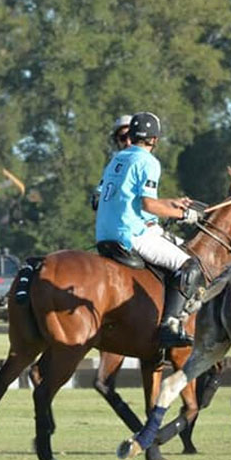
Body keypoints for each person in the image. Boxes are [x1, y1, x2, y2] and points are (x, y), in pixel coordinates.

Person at [95, 112, 204, 349]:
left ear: (132, 135)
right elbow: (148, 205)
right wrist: (184, 214)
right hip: (130, 234)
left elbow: (133, 200)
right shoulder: (149, 162)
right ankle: (169, 326)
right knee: (190, 266)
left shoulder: (117, 159)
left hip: (103, 233)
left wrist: (173, 203)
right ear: (155, 139)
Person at [92, 114, 134, 211]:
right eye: (123, 138)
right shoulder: (112, 167)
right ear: (117, 141)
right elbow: (96, 200)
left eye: (131, 137)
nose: (128, 142)